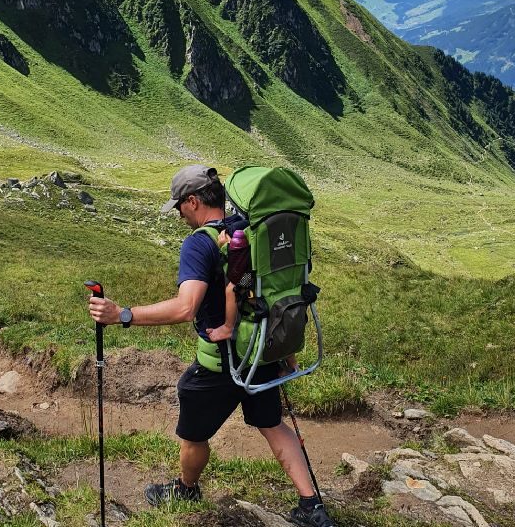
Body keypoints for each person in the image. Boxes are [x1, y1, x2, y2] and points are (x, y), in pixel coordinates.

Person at [88, 164, 335, 527]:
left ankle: (186, 488)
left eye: (178, 207)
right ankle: (312, 506)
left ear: (192, 202)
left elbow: (186, 307)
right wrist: (285, 352)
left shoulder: (199, 243)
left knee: (193, 434)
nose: (178, 215)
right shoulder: (250, 232)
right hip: (260, 352)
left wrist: (121, 315)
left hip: (220, 363)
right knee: (273, 425)